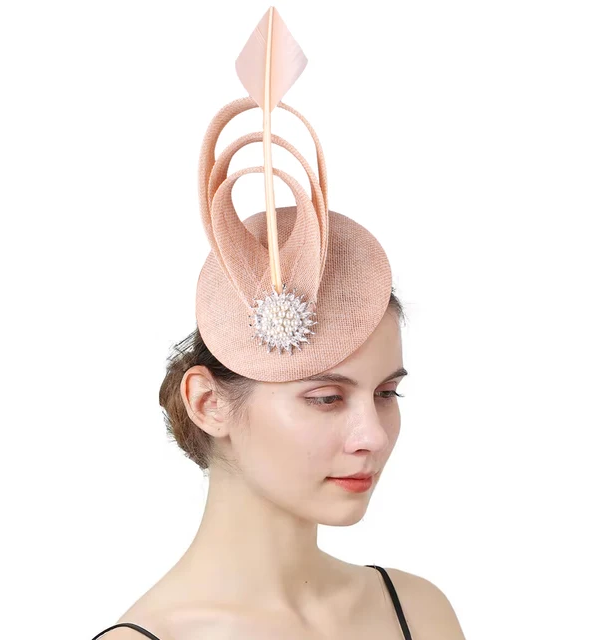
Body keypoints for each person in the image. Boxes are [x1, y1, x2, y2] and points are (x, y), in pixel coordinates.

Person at [91, 8, 466, 639]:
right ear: (209, 403)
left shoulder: (420, 612)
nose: (373, 436)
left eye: (386, 393)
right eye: (326, 397)